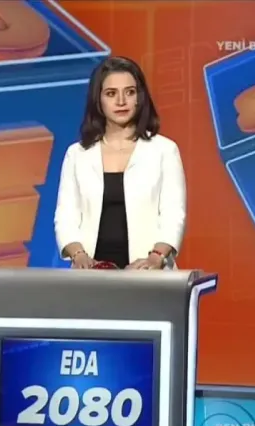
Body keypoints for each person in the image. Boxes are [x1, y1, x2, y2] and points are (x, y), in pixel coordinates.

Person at [54, 56, 186, 270]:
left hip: (149, 273)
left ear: (139, 98)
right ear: (98, 100)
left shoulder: (164, 150)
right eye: (111, 93)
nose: (121, 101)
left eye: (130, 92)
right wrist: (78, 255)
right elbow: (66, 216)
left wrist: (156, 257)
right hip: (92, 275)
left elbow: (173, 214)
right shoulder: (77, 154)